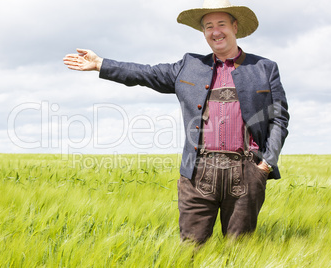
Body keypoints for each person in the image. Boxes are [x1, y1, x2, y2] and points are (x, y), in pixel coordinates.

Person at [63, 0, 289, 244]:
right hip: (197, 173)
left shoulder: (264, 68)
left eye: (221, 24)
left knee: (241, 251)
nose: (215, 31)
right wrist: (101, 64)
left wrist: (265, 165)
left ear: (234, 26)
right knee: (190, 250)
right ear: (203, 32)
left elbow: (279, 118)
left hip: (246, 174)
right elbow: (145, 73)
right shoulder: (189, 66)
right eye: (209, 26)